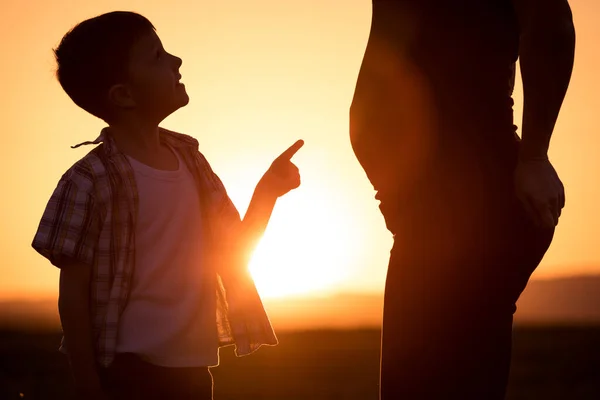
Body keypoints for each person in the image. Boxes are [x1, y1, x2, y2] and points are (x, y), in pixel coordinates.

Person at [32, 11, 303, 400]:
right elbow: (72, 295)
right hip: (126, 373)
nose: (175, 62)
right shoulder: (89, 180)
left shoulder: (192, 161)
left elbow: (234, 248)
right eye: (157, 57)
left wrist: (267, 193)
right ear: (123, 95)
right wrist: (88, 386)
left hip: (194, 370)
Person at [349, 0, 575, 399]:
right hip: (425, 210)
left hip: (475, 200)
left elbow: (552, 23)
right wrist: (395, 190)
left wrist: (536, 155)